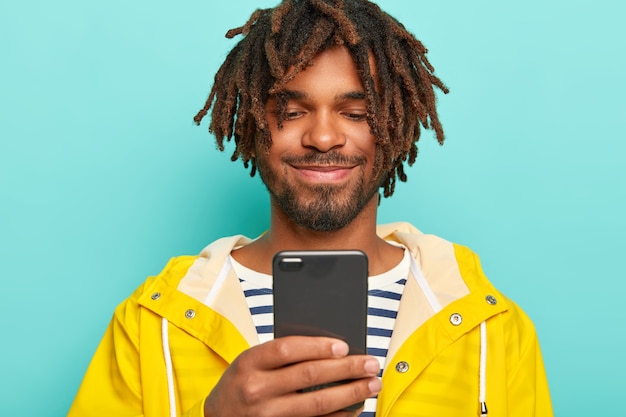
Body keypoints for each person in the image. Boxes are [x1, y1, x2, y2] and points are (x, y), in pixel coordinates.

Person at [68, 1, 553, 416]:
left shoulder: (493, 328)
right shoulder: (149, 325)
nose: (323, 137)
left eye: (356, 113)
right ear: (250, 125)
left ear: (397, 127)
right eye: (291, 112)